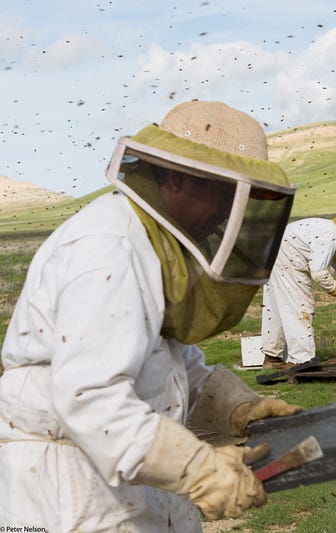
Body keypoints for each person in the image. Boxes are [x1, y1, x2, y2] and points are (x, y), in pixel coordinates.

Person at [0, 100, 304, 530]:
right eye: (224, 192)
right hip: (67, 484)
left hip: (122, 473)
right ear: (176, 178)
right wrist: (199, 469)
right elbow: (91, 396)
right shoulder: (108, 248)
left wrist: (235, 407)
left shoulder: (155, 247)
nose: (226, 212)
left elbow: (164, 366)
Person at [260, 214, 336, 370]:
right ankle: (303, 360)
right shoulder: (330, 235)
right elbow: (319, 274)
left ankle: (272, 358)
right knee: (300, 307)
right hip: (288, 257)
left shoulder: (330, 231)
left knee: (275, 308)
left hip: (275, 252)